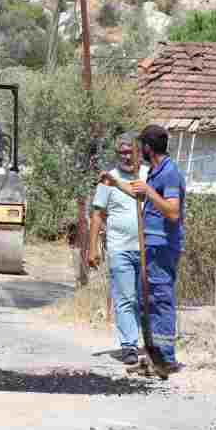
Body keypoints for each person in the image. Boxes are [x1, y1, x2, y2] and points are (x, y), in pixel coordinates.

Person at [123, 124, 185, 379]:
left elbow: (172, 211)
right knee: (145, 301)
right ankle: (151, 357)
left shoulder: (170, 173)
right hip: (149, 245)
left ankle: (166, 360)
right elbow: (144, 197)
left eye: (141, 147)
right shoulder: (154, 172)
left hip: (162, 247)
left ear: (148, 148)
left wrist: (148, 191)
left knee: (160, 300)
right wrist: (115, 182)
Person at [89, 133, 148, 367]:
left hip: (146, 249)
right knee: (125, 298)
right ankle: (129, 346)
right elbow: (97, 214)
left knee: (144, 299)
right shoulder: (108, 179)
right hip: (119, 248)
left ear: (138, 151)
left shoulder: (148, 175)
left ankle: (151, 342)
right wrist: (92, 248)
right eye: (121, 152)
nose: (126, 155)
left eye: (129, 151)